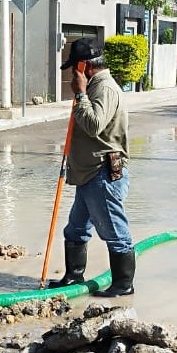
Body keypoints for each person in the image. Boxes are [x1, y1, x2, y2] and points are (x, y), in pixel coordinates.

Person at [49, 38, 135, 297]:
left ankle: (123, 284)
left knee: (114, 231)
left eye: (74, 67)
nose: (72, 73)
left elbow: (93, 124)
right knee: (76, 228)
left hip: (102, 172)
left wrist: (80, 93)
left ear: (84, 65)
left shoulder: (104, 88)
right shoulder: (95, 86)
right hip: (88, 172)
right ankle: (74, 276)